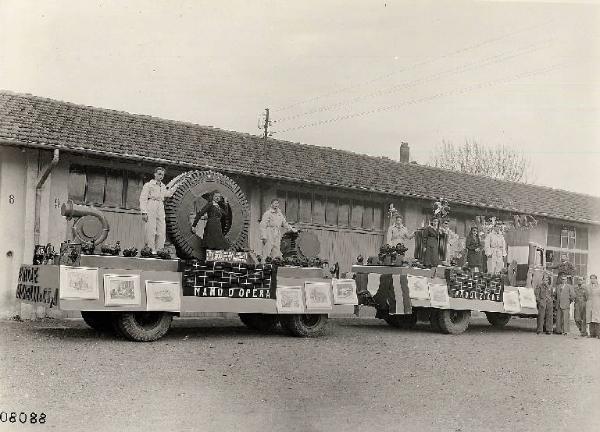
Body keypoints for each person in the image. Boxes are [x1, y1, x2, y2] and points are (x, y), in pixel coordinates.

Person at [139, 167, 178, 254]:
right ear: (155, 174)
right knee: (151, 229)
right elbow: (143, 198)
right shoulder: (148, 185)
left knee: (161, 229)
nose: (161, 176)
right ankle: (150, 250)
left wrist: (175, 187)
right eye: (159, 174)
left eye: (163, 175)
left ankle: (160, 250)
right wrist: (144, 212)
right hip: (151, 204)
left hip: (160, 205)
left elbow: (167, 194)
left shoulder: (163, 186)